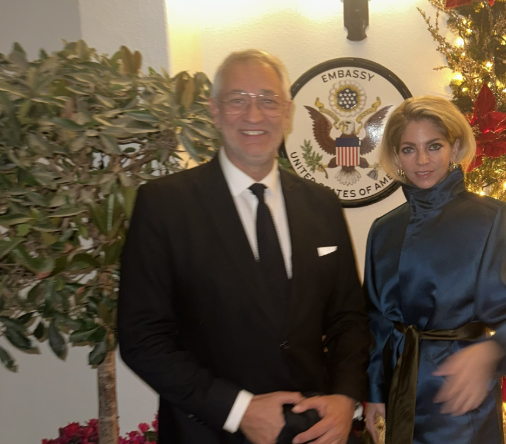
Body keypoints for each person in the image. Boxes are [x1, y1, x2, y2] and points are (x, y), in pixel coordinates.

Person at [118, 49, 371, 444]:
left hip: (316, 429)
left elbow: (348, 319)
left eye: (268, 101)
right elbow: (142, 337)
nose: (254, 116)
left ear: (287, 113)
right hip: (207, 430)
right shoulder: (164, 204)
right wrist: (238, 410)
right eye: (238, 100)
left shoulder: (322, 203)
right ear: (215, 111)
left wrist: (345, 397)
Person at [363, 96, 506, 444]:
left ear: (454, 147)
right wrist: (375, 391)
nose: (422, 160)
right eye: (409, 149)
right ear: (396, 156)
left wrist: (491, 350)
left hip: (460, 393)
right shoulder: (383, 229)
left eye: (434, 146)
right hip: (401, 391)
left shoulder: (494, 219)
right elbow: (378, 321)